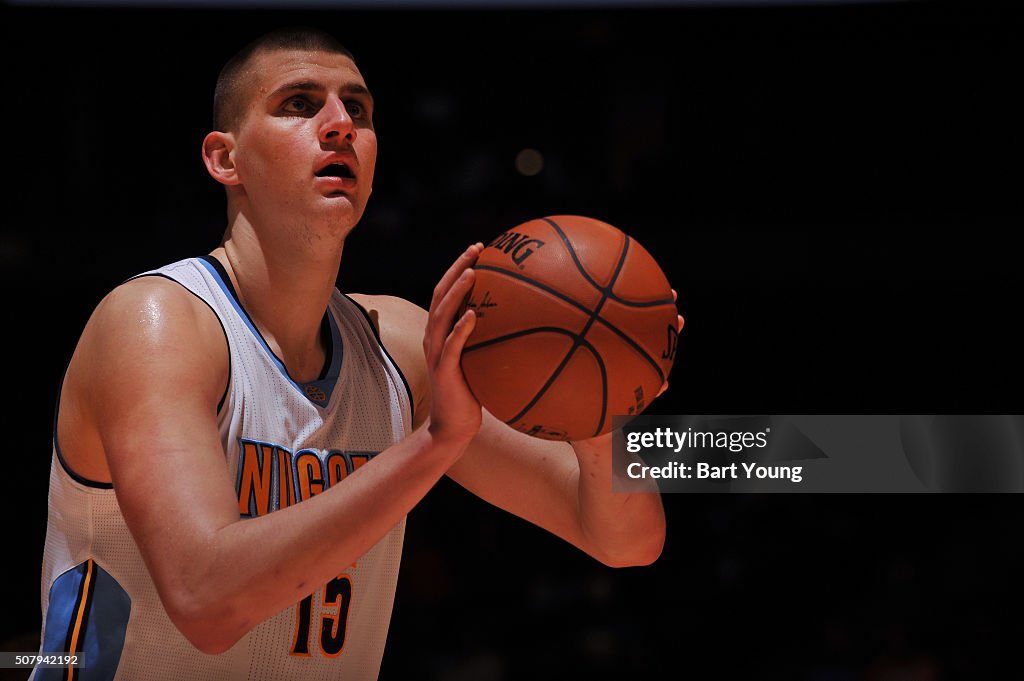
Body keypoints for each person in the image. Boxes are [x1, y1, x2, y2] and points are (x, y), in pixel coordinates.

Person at [31, 27, 677, 681]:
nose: (340, 123)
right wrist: (435, 443)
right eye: (300, 103)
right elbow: (207, 600)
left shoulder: (401, 346)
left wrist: (598, 408)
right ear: (225, 159)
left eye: (359, 110)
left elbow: (624, 538)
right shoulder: (157, 325)